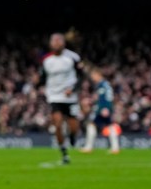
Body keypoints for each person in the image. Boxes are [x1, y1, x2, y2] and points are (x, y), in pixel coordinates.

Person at [41, 32, 83, 165]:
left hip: (70, 97)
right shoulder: (47, 61)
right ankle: (64, 153)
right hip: (54, 96)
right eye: (54, 41)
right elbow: (43, 78)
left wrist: (73, 89)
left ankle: (72, 137)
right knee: (57, 124)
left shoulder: (72, 57)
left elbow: (81, 77)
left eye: (58, 40)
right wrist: (40, 85)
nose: (56, 43)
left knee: (74, 128)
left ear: (63, 43)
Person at [82, 67, 120, 154]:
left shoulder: (102, 85)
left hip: (102, 109)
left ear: (98, 75)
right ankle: (115, 147)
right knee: (109, 125)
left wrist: (105, 108)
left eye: (93, 75)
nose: (92, 78)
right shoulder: (105, 84)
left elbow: (104, 98)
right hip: (105, 108)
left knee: (92, 124)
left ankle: (89, 146)